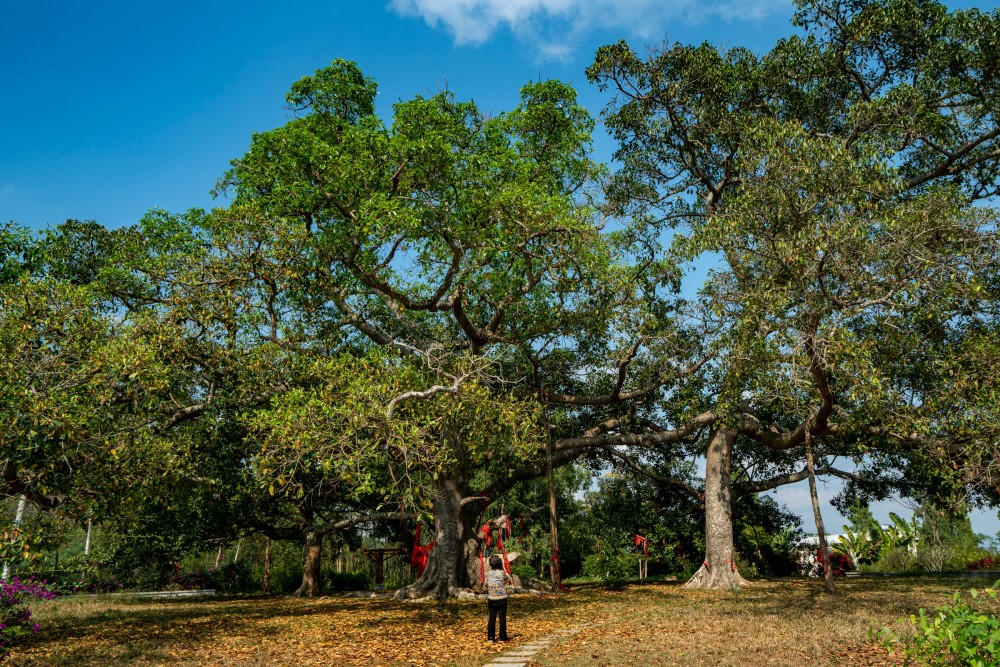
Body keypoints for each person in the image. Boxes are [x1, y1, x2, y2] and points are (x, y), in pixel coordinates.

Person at [485, 554, 512, 642]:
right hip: (501, 598)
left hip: (491, 598)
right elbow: (508, 578)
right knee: (502, 618)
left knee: (492, 618)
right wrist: (504, 568)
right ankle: (502, 637)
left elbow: (487, 583)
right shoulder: (502, 573)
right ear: (500, 563)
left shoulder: (488, 573)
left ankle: (490, 637)